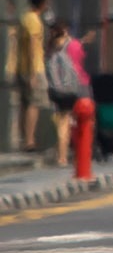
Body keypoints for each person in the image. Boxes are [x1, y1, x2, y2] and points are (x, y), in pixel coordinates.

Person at [43, 21, 88, 166]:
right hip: (69, 90)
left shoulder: (50, 50)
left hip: (55, 91)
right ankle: (62, 157)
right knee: (66, 123)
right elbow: (79, 58)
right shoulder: (70, 46)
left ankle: (60, 153)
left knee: (62, 122)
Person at [11, 0, 50, 153]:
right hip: (34, 68)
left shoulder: (24, 17)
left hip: (22, 68)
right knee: (34, 104)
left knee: (24, 104)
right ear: (41, 3)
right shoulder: (34, 21)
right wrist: (34, 73)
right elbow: (34, 46)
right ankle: (29, 141)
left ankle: (23, 139)